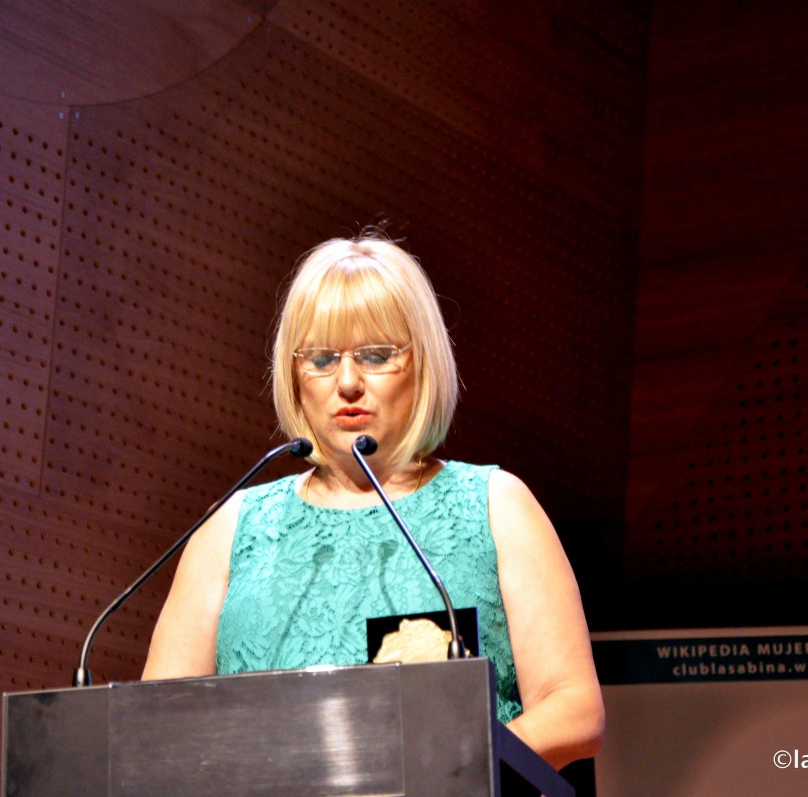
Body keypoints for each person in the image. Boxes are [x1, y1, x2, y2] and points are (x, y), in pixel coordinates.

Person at [142, 232, 604, 769]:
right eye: (320, 359)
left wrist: (455, 769)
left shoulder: (495, 507)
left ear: (422, 362)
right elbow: (153, 727)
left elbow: (573, 711)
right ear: (294, 374)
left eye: (376, 356)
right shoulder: (231, 528)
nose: (347, 382)